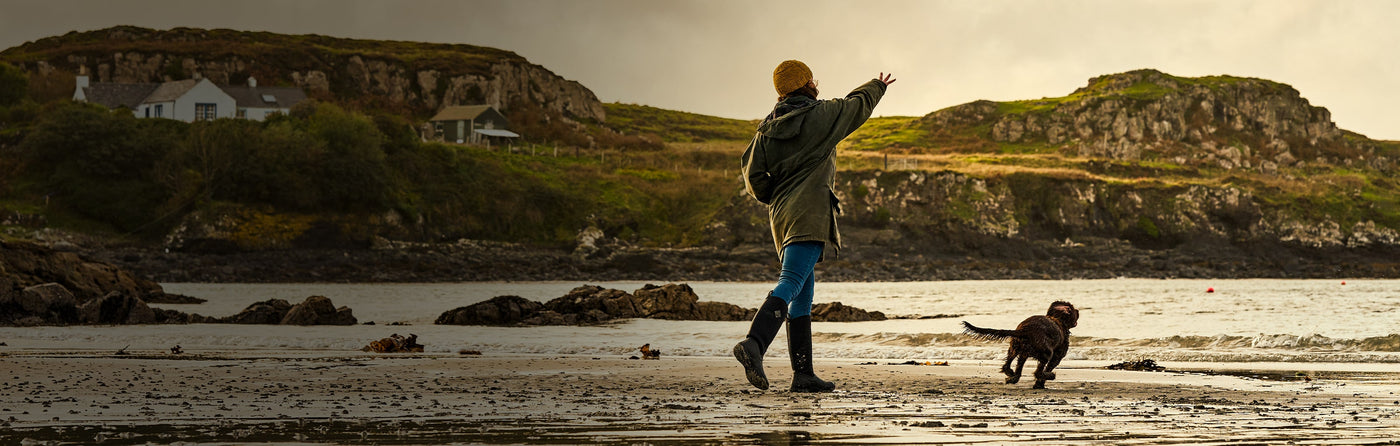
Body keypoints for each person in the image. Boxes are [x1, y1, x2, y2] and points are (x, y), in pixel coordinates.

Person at [734, 60, 894, 392]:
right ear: (809, 83)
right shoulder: (821, 117)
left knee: (803, 294)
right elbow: (855, 106)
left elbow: (752, 178)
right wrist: (876, 86)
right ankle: (754, 343)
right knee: (791, 282)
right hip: (809, 213)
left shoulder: (766, 130)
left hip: (781, 215)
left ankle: (803, 375)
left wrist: (777, 196)